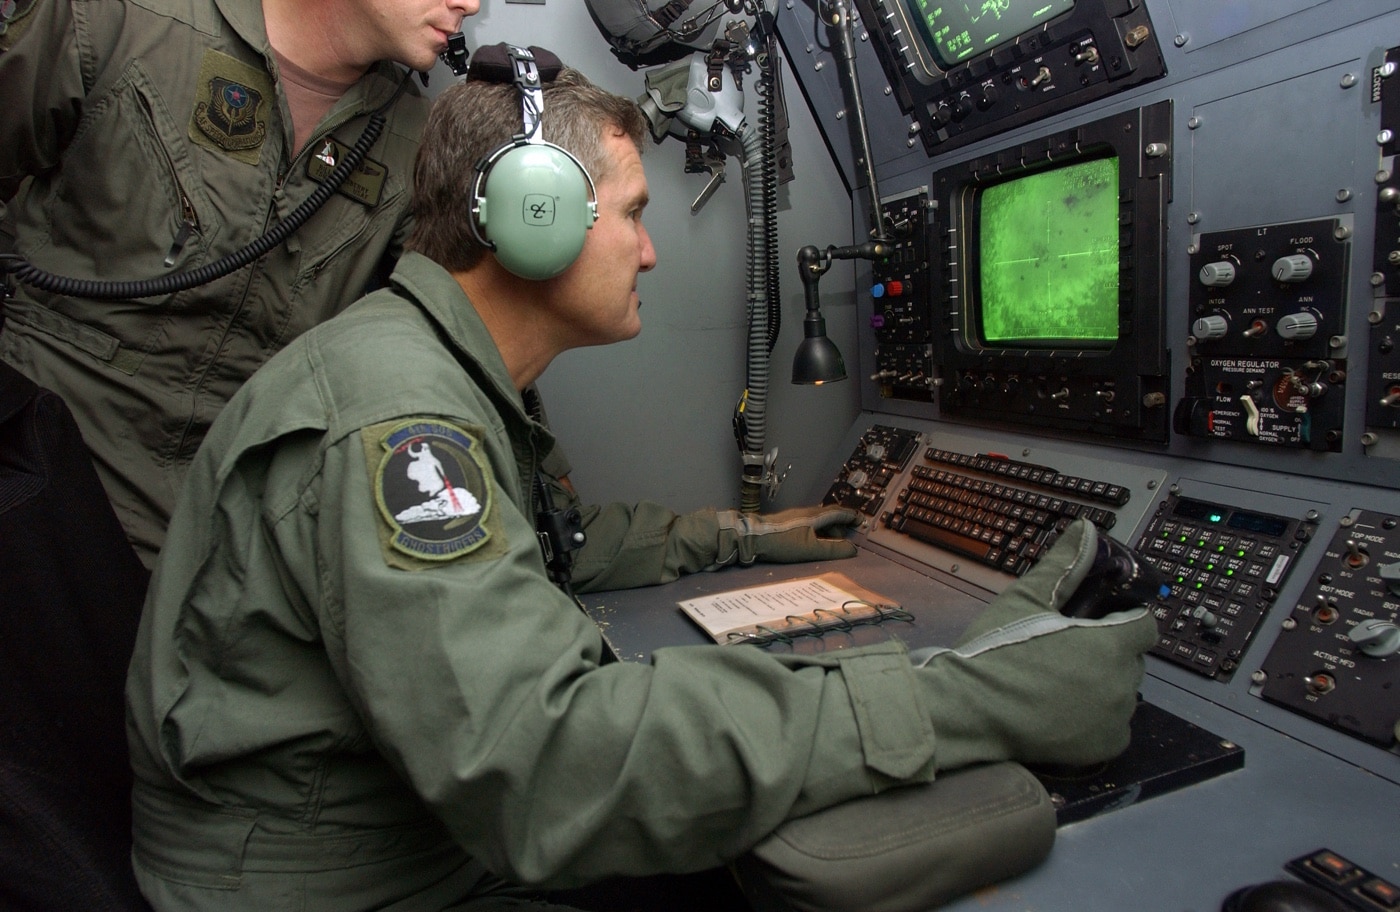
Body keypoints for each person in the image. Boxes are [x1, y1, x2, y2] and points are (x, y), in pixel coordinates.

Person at [124, 48, 1159, 911]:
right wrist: (956, 702)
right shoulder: (398, 417)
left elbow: (554, 541)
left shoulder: (440, 374)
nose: (653, 252)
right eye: (629, 212)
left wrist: (745, 537)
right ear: (533, 218)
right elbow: (543, 764)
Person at [0, 0, 480, 568]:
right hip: (38, 481)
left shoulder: (412, 141)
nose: (470, 4)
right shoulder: (119, 19)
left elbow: (448, 340)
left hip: (223, 534)